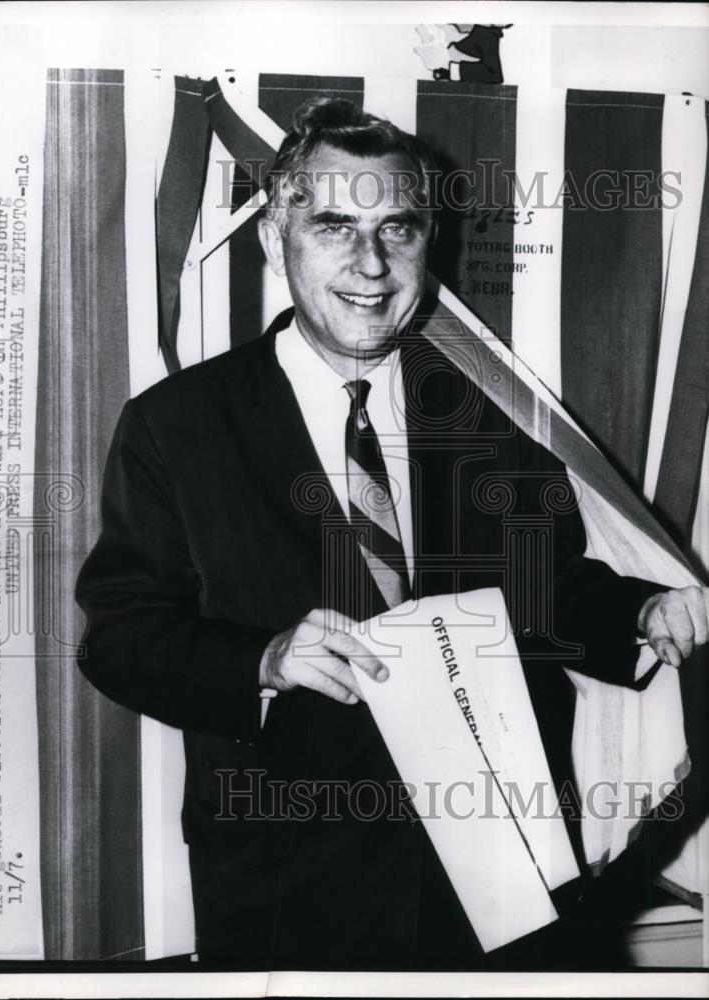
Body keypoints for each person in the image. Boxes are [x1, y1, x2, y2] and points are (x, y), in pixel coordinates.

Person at [75, 97, 708, 971]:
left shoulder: (497, 413)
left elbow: (547, 592)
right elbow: (120, 637)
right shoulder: (177, 425)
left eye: (398, 228)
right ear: (275, 237)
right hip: (292, 884)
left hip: (508, 875)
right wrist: (261, 658)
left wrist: (644, 613)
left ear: (428, 243)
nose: (370, 263)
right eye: (335, 223)